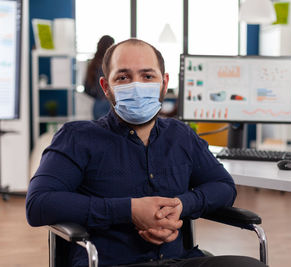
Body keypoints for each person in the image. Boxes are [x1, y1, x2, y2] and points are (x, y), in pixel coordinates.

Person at [26, 38, 265, 267]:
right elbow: (39, 204)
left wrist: (182, 205)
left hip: (181, 260)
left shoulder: (181, 135)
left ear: (163, 82)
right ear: (106, 87)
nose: (137, 85)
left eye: (147, 75)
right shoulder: (77, 138)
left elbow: (223, 186)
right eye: (123, 77)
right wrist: (130, 210)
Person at [84, 35, 115, 119]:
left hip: (98, 104)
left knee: (99, 131)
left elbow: (86, 88)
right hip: (110, 103)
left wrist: (98, 96)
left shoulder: (93, 64)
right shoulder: (111, 64)